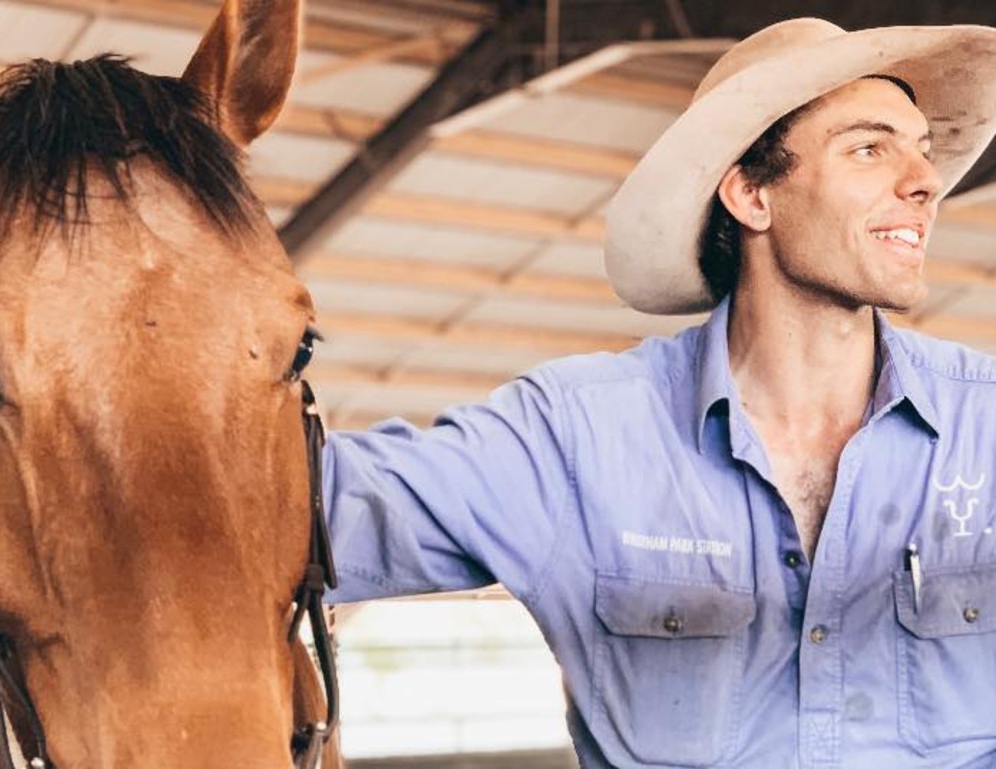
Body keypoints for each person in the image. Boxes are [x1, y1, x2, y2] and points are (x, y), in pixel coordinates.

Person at [322, 17, 996, 768]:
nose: (925, 181)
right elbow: (308, 508)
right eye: (870, 148)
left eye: (923, 152)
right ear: (751, 195)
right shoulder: (575, 439)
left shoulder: (987, 426)